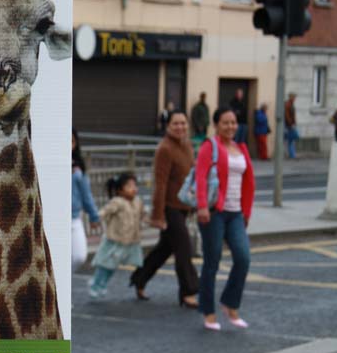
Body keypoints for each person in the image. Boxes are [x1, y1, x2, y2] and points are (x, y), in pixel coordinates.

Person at [129, 109, 198, 306]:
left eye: (183, 123)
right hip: (170, 208)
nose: (180, 127)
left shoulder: (186, 145)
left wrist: (193, 203)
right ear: (168, 126)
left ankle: (139, 279)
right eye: (176, 123)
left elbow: (189, 177)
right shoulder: (165, 149)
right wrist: (158, 215)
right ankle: (188, 291)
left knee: (164, 250)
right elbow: (160, 183)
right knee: (184, 249)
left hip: (183, 206)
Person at [196, 106, 255, 331]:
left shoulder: (241, 148)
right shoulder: (210, 147)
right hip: (214, 212)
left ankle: (230, 304)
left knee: (243, 258)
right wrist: (202, 206)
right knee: (212, 262)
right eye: (225, 123)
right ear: (216, 125)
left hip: (236, 212)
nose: (231, 126)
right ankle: (208, 313)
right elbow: (201, 177)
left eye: (233, 122)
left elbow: (248, 181)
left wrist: (246, 212)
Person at [88, 172, 145, 299]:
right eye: (129, 186)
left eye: (135, 185)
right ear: (120, 190)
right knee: (105, 264)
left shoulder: (137, 201)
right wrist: (96, 219)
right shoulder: (117, 202)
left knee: (112, 266)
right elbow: (105, 211)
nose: (134, 188)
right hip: (113, 240)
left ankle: (101, 285)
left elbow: (143, 215)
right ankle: (96, 285)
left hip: (129, 240)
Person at [72, 129, 100, 271]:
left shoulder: (78, 167)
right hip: (52, 218)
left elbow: (86, 194)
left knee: (79, 256)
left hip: (74, 218)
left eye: (71, 141)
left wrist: (94, 216)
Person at [284, 92, 298, 158]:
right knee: (290, 140)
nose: (295, 99)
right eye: (294, 97)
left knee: (291, 140)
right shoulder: (288, 104)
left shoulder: (291, 104)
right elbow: (287, 116)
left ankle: (292, 154)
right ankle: (291, 154)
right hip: (289, 125)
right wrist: (291, 124)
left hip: (291, 125)